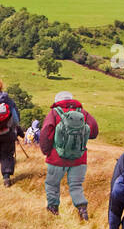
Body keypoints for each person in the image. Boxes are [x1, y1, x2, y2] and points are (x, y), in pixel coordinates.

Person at [39, 90, 99, 220]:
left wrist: (46, 151)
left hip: (56, 159)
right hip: (79, 159)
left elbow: (45, 133)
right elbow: (94, 131)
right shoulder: (82, 113)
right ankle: (82, 210)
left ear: (57, 101)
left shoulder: (54, 113)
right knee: (76, 186)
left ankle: (53, 211)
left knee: (52, 184)